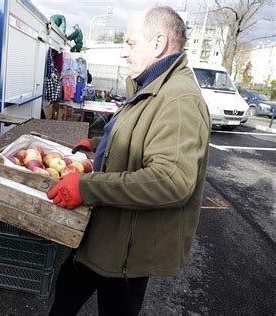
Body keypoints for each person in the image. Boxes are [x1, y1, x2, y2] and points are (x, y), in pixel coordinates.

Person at [47, 6, 211, 315]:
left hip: (126, 251)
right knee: (67, 287)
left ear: (158, 43)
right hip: (107, 233)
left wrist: (87, 187)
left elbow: (171, 180)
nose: (125, 53)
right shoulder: (151, 85)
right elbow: (140, 138)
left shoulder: (179, 100)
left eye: (131, 43)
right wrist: (98, 146)